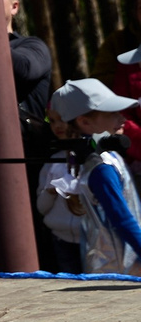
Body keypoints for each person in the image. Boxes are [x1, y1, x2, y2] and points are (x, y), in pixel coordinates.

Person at [36, 79, 141, 273]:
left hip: (121, 264)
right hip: (119, 269)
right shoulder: (100, 168)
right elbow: (122, 219)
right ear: (84, 122)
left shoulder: (105, 158)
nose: (123, 118)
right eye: (113, 113)